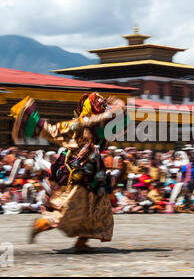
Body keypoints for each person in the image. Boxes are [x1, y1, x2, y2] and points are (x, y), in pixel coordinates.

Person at [10, 92, 126, 251]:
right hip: (79, 171)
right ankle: (42, 224)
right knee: (71, 209)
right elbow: (53, 130)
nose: (103, 105)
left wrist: (119, 107)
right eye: (99, 103)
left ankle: (82, 242)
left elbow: (121, 123)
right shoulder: (83, 123)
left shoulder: (104, 124)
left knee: (97, 208)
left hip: (93, 172)